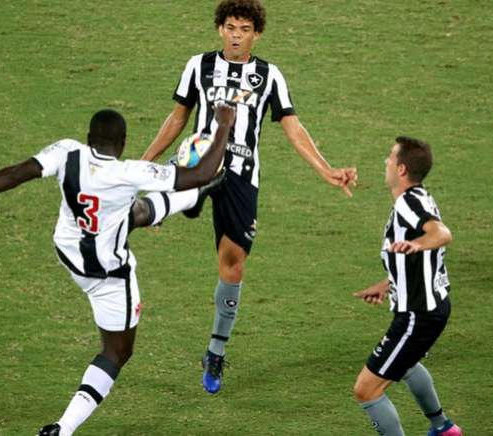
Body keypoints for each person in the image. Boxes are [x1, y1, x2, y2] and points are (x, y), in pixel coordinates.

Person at [0, 104, 236, 436]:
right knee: (117, 352)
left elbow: (13, 174)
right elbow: (203, 171)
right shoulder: (131, 172)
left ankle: (193, 199)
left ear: (87, 138)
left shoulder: (67, 152)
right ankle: (63, 429)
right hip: (110, 276)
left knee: (133, 212)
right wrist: (224, 126)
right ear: (124, 142)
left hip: (70, 256)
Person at [140, 0, 358, 394]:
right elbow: (178, 117)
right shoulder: (198, 66)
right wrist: (143, 162)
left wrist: (325, 169)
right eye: (230, 27)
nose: (236, 35)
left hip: (242, 177)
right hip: (200, 162)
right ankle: (152, 207)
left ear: (256, 34)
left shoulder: (269, 75)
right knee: (164, 203)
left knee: (233, 266)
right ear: (220, 29)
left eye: (244, 29)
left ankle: (216, 351)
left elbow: (292, 125)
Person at [351, 137, 462, 436]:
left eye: (390, 157)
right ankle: (442, 427)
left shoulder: (407, 203)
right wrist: (387, 283)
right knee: (407, 364)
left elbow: (442, 233)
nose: (385, 162)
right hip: (433, 306)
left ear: (401, 169)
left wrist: (415, 244)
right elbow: (416, 259)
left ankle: (442, 427)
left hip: (418, 314)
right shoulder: (420, 197)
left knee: (366, 390)